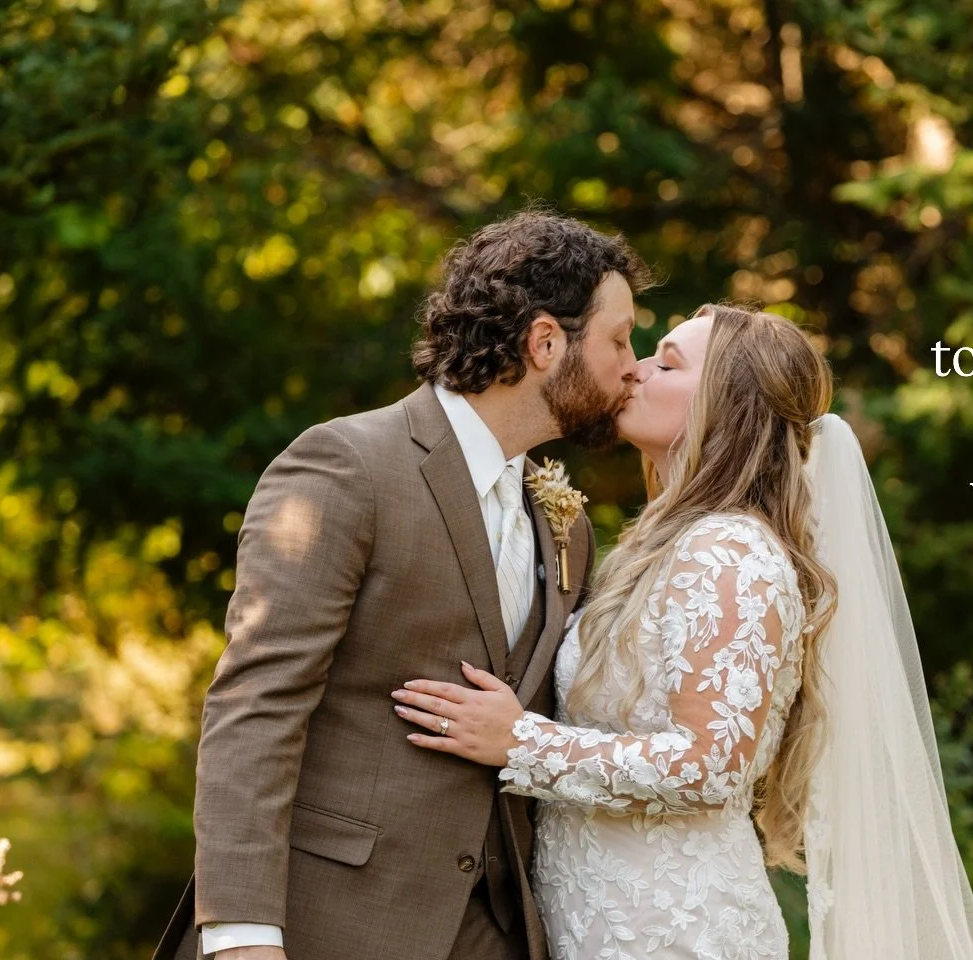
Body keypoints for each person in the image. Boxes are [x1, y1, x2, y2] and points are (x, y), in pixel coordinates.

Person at [392, 305, 973, 960]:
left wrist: (520, 743)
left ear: (726, 405)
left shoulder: (732, 551)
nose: (634, 370)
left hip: (675, 934)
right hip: (600, 924)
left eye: (666, 363)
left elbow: (711, 764)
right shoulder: (665, 543)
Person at [153, 211, 653, 960]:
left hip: (499, 925)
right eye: (620, 338)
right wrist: (242, 935)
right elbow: (257, 703)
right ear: (546, 343)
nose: (632, 365)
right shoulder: (347, 467)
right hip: (331, 921)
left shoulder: (564, 523)